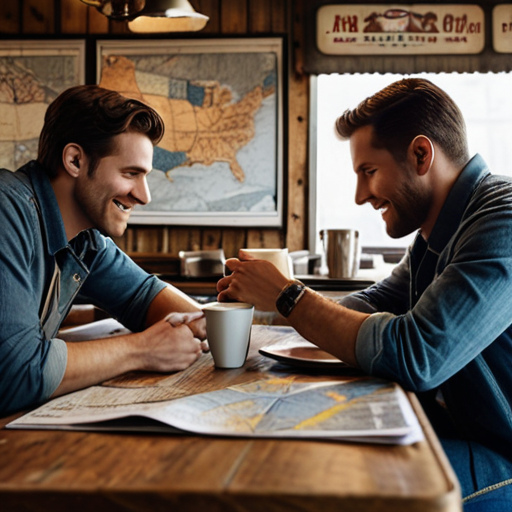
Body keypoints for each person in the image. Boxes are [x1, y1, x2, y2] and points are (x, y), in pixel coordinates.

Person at [217, 78, 512, 510]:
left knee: (334, 491)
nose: (359, 196)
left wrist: (287, 296)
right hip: (456, 428)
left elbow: (417, 352)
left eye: (368, 172)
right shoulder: (440, 230)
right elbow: (371, 302)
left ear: (420, 154)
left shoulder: (501, 219)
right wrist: (255, 308)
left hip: (500, 453)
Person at [0, 85, 207, 416]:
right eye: (130, 174)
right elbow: (14, 374)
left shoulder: (85, 241)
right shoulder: (6, 210)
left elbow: (144, 297)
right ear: (75, 160)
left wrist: (214, 326)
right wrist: (143, 350)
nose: (144, 196)